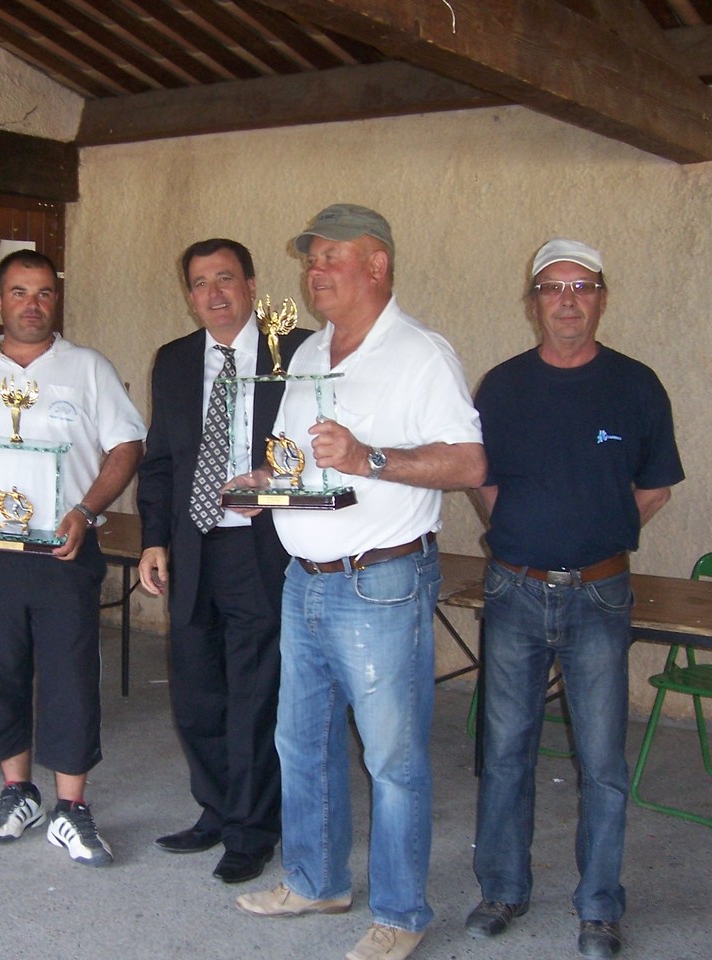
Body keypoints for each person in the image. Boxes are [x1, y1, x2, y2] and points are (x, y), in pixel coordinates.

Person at [232, 204, 485, 960]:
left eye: (331, 257)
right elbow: (301, 459)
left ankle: (402, 913)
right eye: (310, 260)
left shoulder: (420, 353)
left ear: (377, 265)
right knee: (300, 742)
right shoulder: (309, 350)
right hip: (302, 578)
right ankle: (316, 880)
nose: (315, 272)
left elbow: (469, 464)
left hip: (380, 584)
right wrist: (264, 480)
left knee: (392, 759)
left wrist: (370, 458)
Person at [464, 238, 683, 959]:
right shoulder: (501, 387)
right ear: (533, 303)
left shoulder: (637, 386)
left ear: (601, 298)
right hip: (515, 589)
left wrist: (599, 534)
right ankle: (502, 888)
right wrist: (524, 532)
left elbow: (655, 486)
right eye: (552, 287)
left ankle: (599, 907)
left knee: (602, 761)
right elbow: (479, 477)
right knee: (504, 752)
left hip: (600, 595)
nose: (567, 299)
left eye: (582, 286)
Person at [0, 249, 145, 866]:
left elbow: (126, 446)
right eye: (19, 292)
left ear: (55, 300)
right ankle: (17, 792)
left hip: (64, 551)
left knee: (70, 675)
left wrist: (87, 511)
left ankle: (72, 808)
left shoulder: (87, 369)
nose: (32, 304)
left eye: (43, 292)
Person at [136, 238, 308, 884]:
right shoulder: (175, 360)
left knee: (255, 695)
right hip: (190, 547)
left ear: (252, 283)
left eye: (226, 279)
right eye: (200, 283)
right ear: (189, 294)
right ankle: (216, 808)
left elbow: (315, 448)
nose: (213, 293)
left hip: (260, 548)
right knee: (196, 694)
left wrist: (277, 480)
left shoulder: (293, 351)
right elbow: (160, 462)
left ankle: (252, 828)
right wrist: (155, 538)